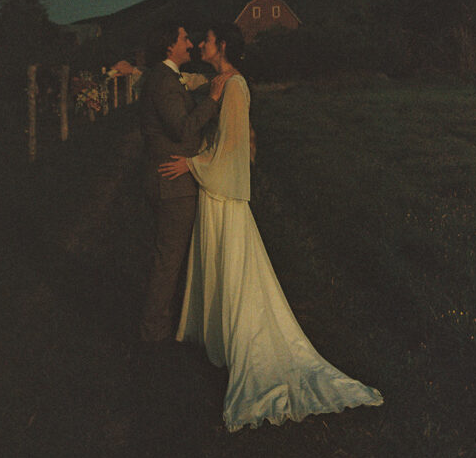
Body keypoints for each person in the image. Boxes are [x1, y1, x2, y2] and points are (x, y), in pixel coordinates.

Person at [159, 23, 383, 432]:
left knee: (234, 270)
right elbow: (184, 83)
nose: (201, 45)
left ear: (221, 45)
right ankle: (219, 340)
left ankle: (246, 347)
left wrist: (190, 164)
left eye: (206, 40)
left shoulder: (236, 86)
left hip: (223, 194)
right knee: (217, 266)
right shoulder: (217, 80)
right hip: (215, 191)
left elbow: (231, 148)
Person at [139, 22, 231, 345]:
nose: (190, 45)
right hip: (171, 184)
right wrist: (215, 98)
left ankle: (164, 322)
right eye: (183, 39)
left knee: (168, 257)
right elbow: (182, 128)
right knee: (168, 260)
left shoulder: (166, 78)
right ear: (169, 46)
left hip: (172, 181)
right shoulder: (163, 81)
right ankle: (153, 333)